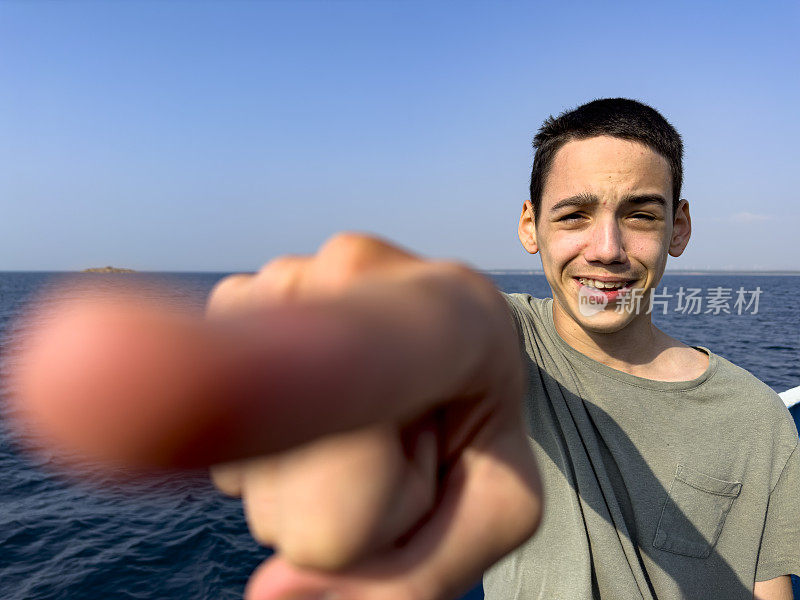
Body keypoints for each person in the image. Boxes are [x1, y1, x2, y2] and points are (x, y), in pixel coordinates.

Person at [8, 99, 799, 600]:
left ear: (680, 229)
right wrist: (356, 331)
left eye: (640, 213)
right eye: (573, 215)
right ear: (529, 227)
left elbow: (767, 588)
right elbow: (459, 326)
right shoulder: (507, 342)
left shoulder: (757, 417)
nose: (606, 247)